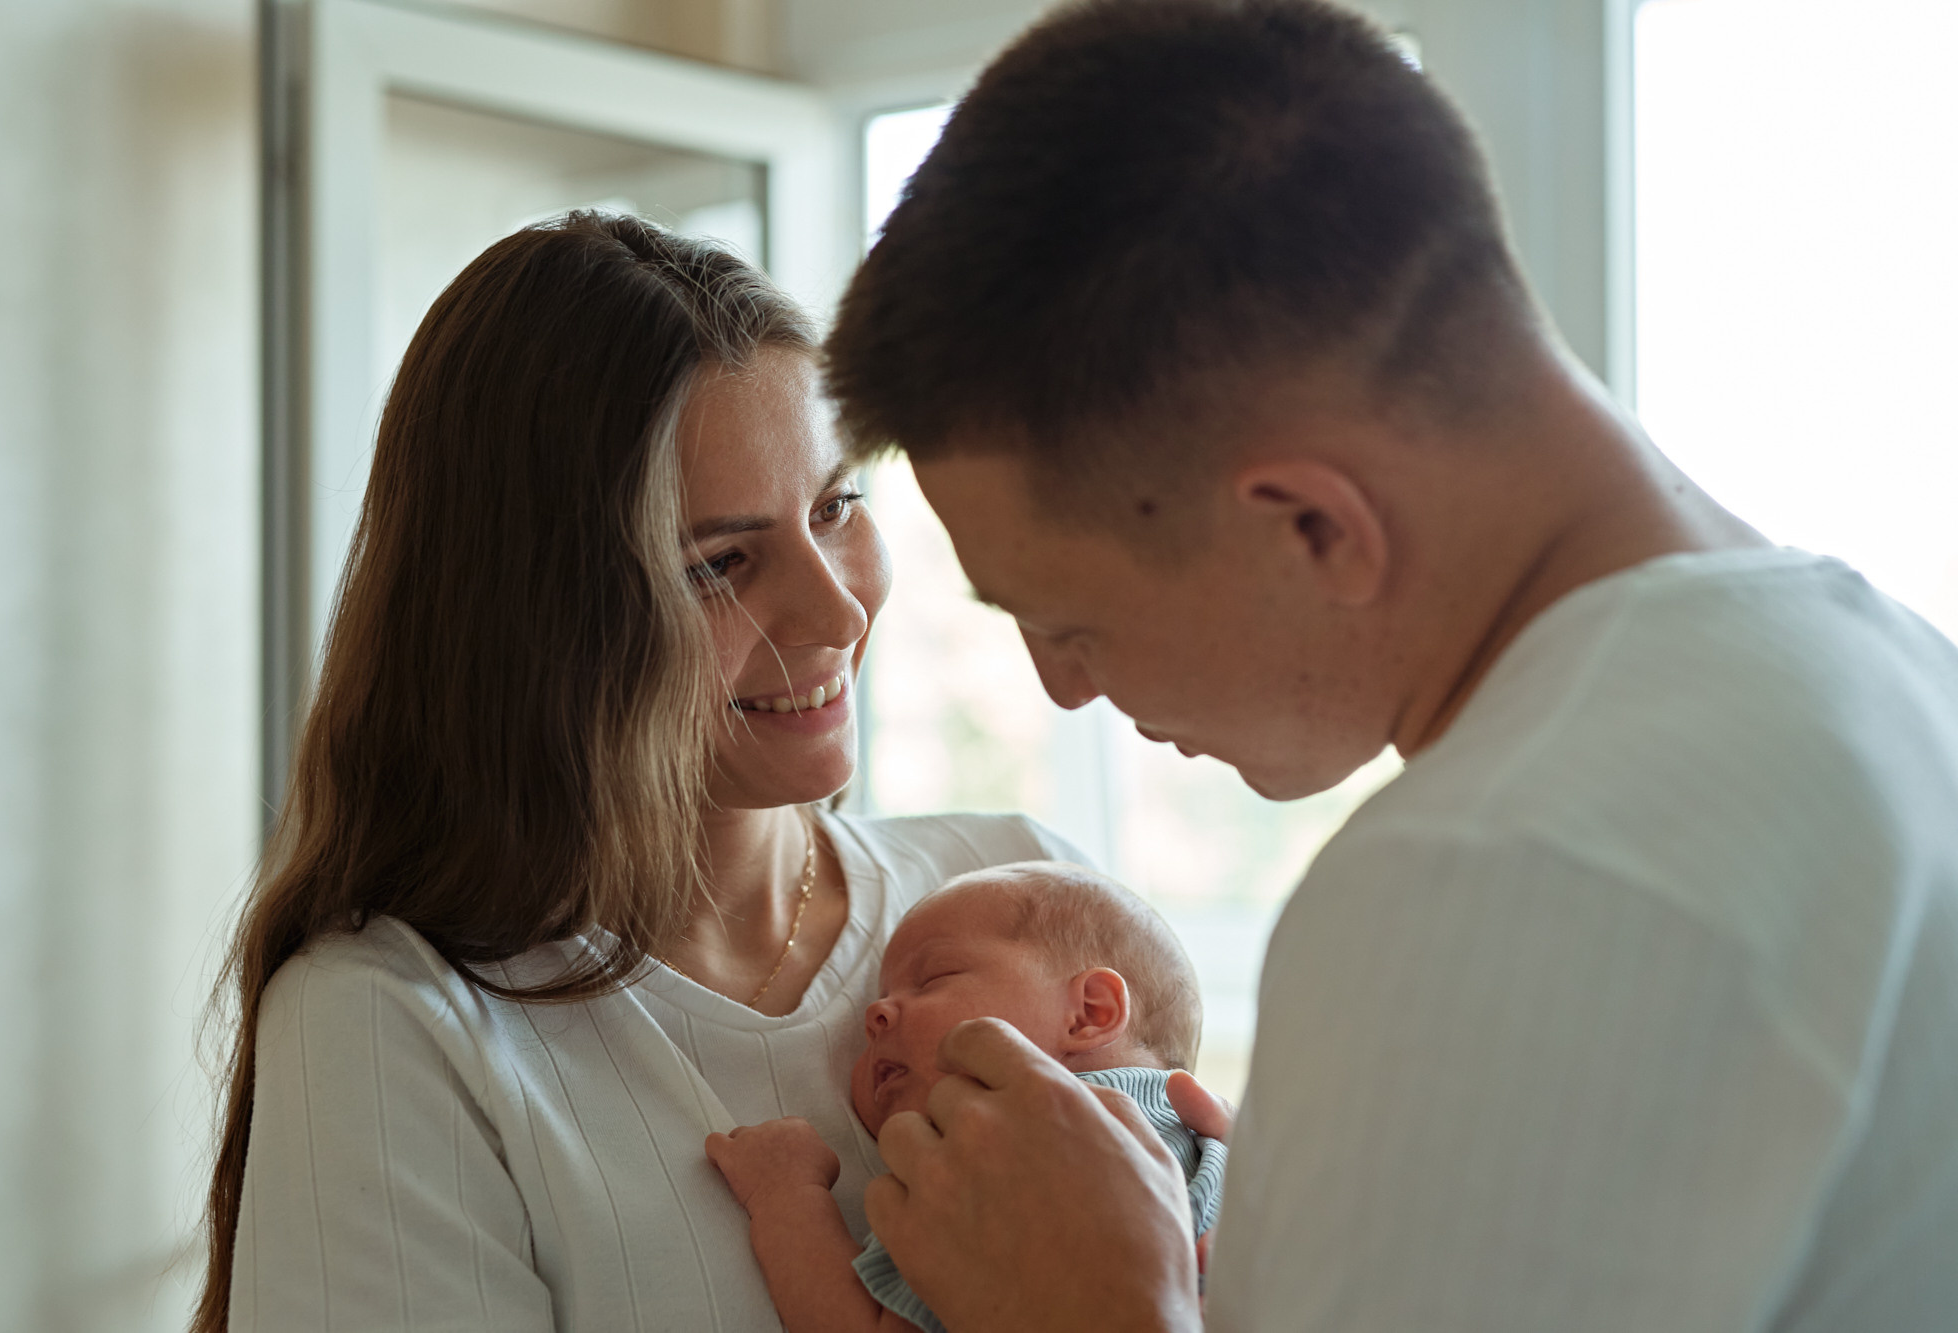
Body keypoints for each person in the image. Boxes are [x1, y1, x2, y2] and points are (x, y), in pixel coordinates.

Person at [821, 1, 1958, 1330]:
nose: (1065, 690)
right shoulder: (1884, 673)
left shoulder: (1506, 866)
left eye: (1070, 622)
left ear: (1311, 525)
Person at [190, 213, 1084, 1333]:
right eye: (719, 564)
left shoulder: (1022, 888)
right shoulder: (395, 1028)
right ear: (540, 624)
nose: (837, 606)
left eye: (835, 506)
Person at [704, 861, 1226, 1333]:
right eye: (882, 997)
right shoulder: (1218, 1148)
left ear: (1089, 1012)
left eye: (933, 978)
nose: (877, 1014)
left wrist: (787, 1196)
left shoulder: (998, 1162)